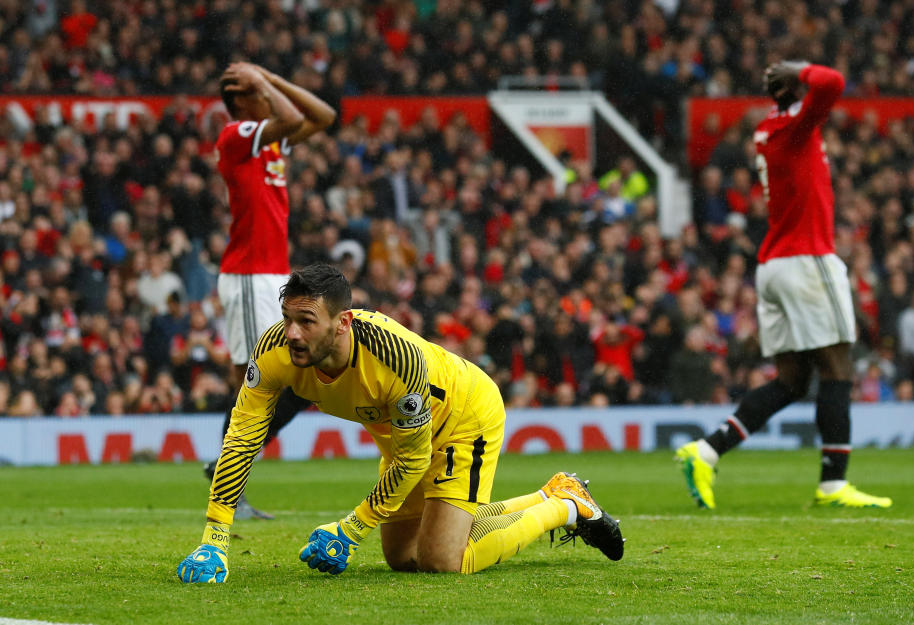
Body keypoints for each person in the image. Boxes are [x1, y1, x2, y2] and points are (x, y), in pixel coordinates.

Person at [177, 264, 623, 583]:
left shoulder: (394, 358)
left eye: (306, 322)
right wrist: (215, 536)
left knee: (442, 560)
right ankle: (552, 491)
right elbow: (242, 436)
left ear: (342, 323)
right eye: (288, 319)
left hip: (463, 417)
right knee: (402, 557)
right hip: (402, 437)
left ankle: (565, 507)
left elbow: (414, 459)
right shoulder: (275, 352)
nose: (292, 333)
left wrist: (349, 529)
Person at [675, 61, 892, 509]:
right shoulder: (795, 126)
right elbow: (832, 81)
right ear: (796, 89)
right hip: (807, 261)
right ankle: (833, 484)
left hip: (775, 265)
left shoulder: (769, 130)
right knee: (837, 367)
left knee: (792, 381)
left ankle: (707, 450)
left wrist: (790, 80)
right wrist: (801, 68)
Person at [206, 62, 337, 519]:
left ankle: (226, 464)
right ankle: (228, 484)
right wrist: (262, 82)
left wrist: (271, 78)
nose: (267, 97)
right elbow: (295, 119)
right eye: (258, 93)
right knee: (255, 382)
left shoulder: (268, 142)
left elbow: (323, 117)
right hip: (247, 274)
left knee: (300, 384)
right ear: (243, 102)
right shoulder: (237, 134)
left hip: (270, 274)